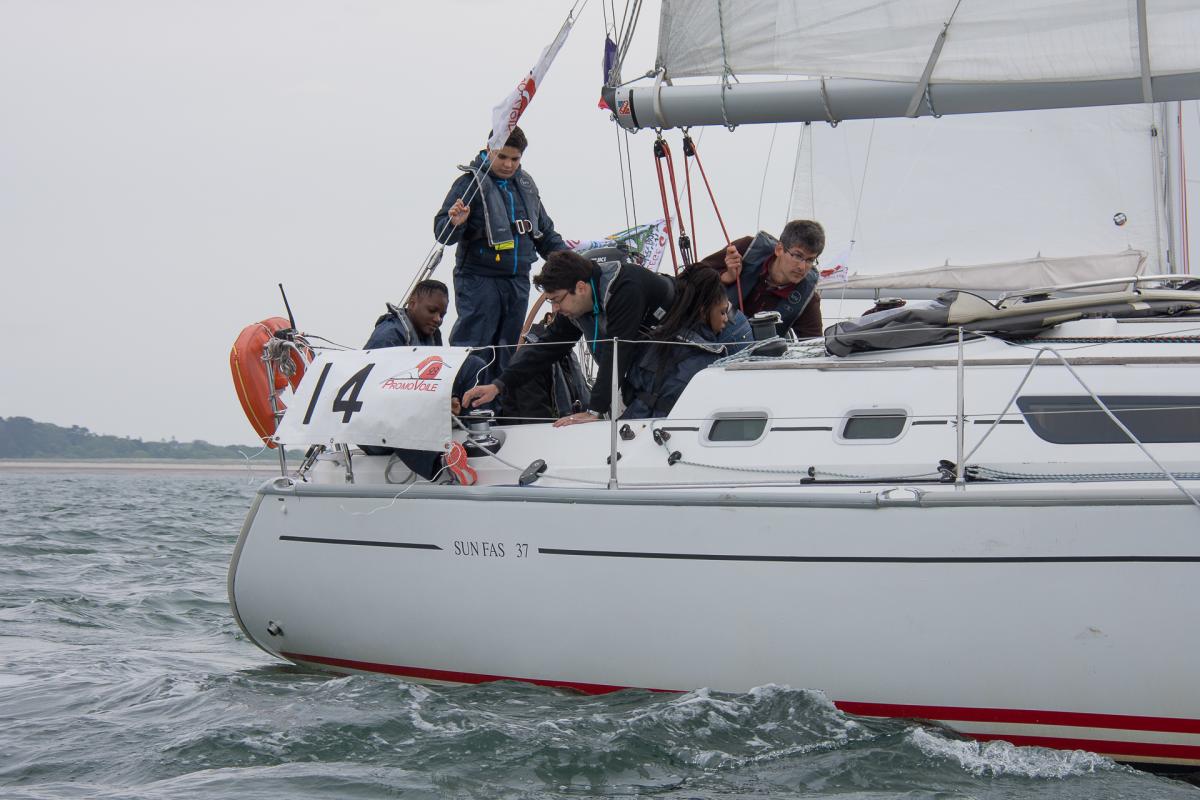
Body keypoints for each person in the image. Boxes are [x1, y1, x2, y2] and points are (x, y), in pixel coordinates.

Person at [461, 248, 674, 426]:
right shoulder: (578, 305)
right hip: (644, 367)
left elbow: (617, 351)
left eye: (556, 300)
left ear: (580, 288)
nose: (555, 308)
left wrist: (594, 410)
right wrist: (498, 385)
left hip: (678, 353)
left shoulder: (625, 287)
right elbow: (546, 348)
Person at [433, 126, 568, 382]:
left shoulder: (526, 185)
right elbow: (443, 235)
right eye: (502, 156)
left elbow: (545, 233)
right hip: (478, 279)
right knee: (474, 349)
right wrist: (455, 223)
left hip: (517, 281)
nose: (508, 164)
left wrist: (570, 263)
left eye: (515, 159)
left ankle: (499, 401)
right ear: (489, 150)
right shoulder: (468, 184)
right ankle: (462, 399)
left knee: (508, 352)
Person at [361, 279, 485, 485]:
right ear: (412, 303)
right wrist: (435, 404)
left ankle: (470, 432)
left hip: (420, 411)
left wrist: (451, 398)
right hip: (379, 427)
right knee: (400, 415)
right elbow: (377, 395)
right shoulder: (388, 336)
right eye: (432, 311)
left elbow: (440, 376)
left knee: (474, 364)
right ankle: (441, 465)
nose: (438, 319)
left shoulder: (433, 333)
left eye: (442, 315)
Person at [623, 266, 753, 419]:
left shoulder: (657, 338)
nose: (726, 319)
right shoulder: (708, 360)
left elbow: (631, 384)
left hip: (630, 421)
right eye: (722, 312)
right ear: (703, 311)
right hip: (671, 427)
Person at [695, 219, 826, 339]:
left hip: (747, 355)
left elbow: (814, 347)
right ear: (779, 249)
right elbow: (692, 275)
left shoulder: (807, 300)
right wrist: (725, 277)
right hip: (701, 334)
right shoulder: (746, 249)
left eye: (810, 260)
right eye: (797, 256)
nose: (802, 267)